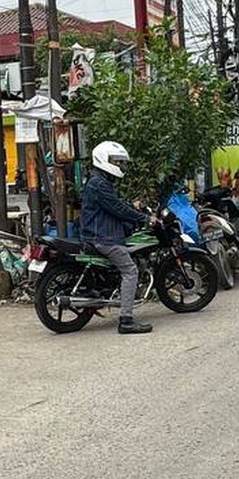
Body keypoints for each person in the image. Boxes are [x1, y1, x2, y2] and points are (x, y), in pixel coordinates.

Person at [80, 140, 152, 335]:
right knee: (130, 271)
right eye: (116, 161)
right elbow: (117, 208)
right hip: (103, 238)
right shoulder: (98, 184)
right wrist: (144, 218)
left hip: (102, 235)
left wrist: (133, 206)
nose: (119, 166)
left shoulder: (100, 181)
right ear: (104, 159)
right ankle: (126, 320)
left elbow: (115, 204)